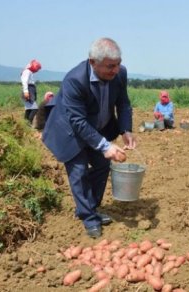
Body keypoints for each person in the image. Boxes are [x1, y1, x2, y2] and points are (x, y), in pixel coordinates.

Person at [42, 37, 136, 238]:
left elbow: (124, 104)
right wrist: (105, 146)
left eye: (118, 64)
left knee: (102, 165)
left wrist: (126, 130)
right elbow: (77, 121)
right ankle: (89, 218)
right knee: (79, 171)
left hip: (96, 128)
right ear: (93, 62)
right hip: (69, 131)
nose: (116, 70)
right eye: (110, 66)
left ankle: (89, 208)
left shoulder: (120, 74)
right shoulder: (74, 80)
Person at [20, 59, 42, 125]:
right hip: (29, 90)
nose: (37, 70)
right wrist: (26, 92)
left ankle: (25, 124)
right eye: (37, 68)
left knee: (29, 109)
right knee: (35, 108)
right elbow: (25, 82)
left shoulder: (29, 72)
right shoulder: (27, 71)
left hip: (31, 89)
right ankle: (28, 124)